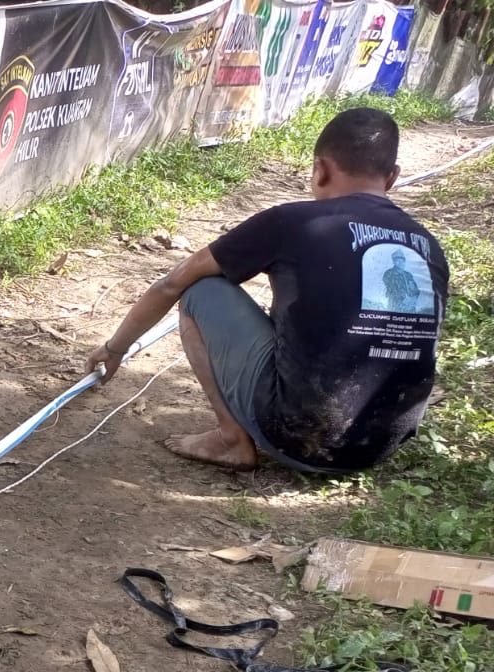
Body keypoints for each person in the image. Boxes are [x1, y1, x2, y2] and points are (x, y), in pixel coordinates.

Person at [87, 107, 448, 474]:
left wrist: (115, 348)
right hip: (379, 448)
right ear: (392, 177)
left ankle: (232, 439)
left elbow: (173, 282)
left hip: (299, 440)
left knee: (200, 290)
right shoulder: (426, 245)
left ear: (320, 169)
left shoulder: (293, 221)